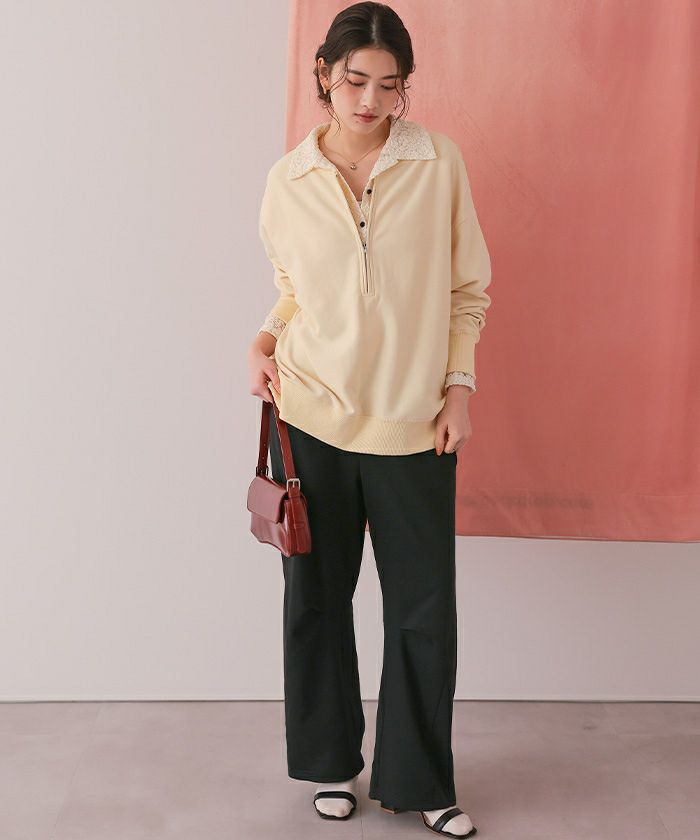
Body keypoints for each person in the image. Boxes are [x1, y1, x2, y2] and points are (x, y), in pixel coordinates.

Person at [246, 3, 491, 837]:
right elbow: (294, 287)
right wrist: (264, 337)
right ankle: (329, 765)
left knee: (424, 609)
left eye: (389, 86)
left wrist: (458, 387)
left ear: (404, 88)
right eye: (355, 81)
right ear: (325, 74)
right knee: (315, 601)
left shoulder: (437, 162)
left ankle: (422, 779)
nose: (370, 101)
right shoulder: (288, 180)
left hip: (415, 422)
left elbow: (466, 289)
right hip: (311, 413)